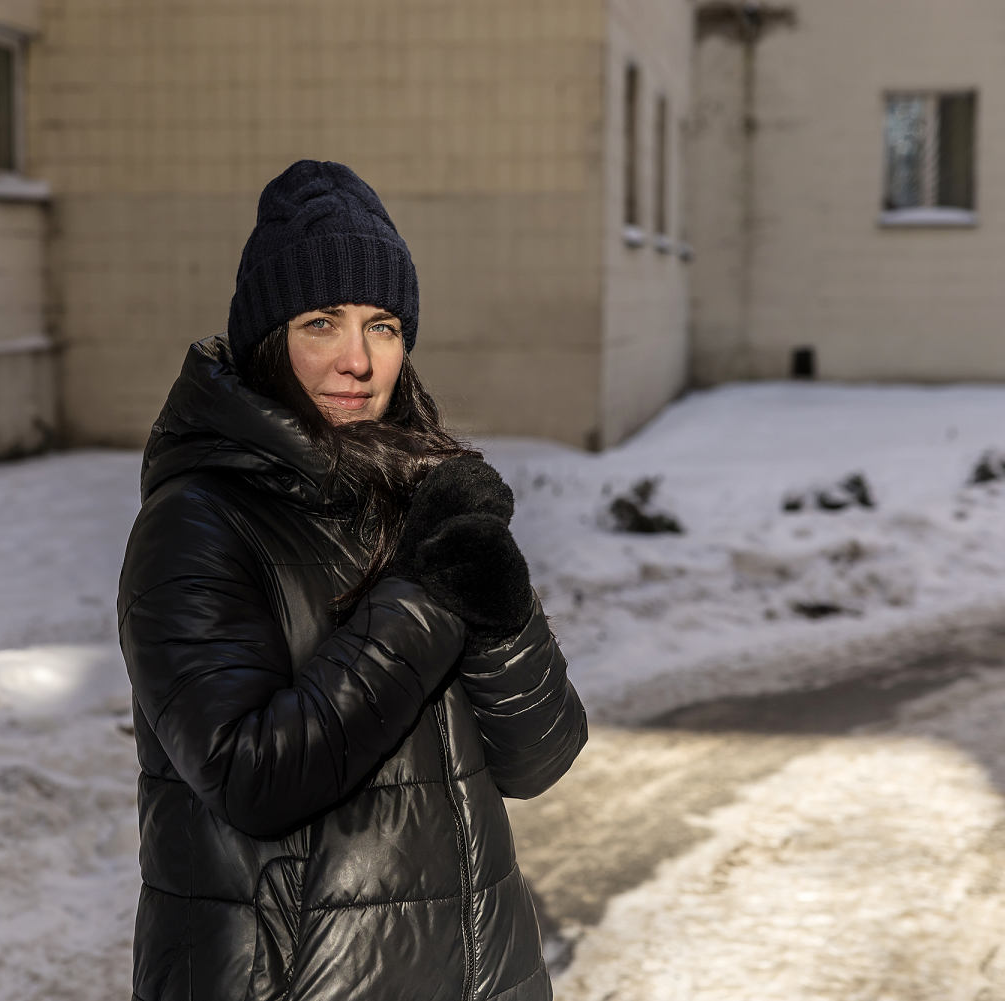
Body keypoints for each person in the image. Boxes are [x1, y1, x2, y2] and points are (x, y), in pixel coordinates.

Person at [118, 159, 588, 1001]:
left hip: (480, 974)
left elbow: (539, 754)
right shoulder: (197, 521)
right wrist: (425, 598)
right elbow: (251, 776)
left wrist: (497, 592)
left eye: (383, 326)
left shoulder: (417, 494)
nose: (358, 360)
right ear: (270, 339)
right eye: (322, 322)